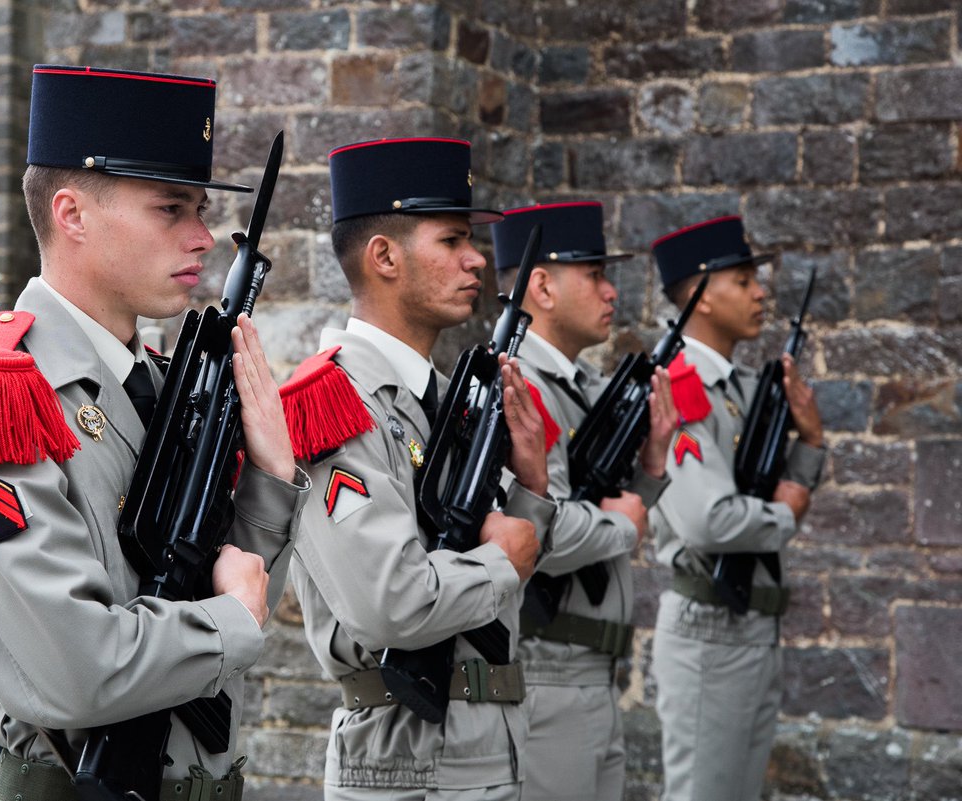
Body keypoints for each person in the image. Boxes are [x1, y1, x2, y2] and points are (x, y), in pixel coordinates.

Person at [0, 64, 309, 801]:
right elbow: (76, 669)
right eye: (171, 208)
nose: (203, 236)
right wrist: (233, 619)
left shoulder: (159, 386)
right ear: (73, 213)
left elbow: (216, 577)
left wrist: (269, 479)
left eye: (201, 210)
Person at [279, 137, 555, 800]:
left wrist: (534, 493)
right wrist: (504, 561)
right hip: (406, 761)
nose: (477, 260)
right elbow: (387, 602)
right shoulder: (330, 401)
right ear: (384, 256)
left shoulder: (443, 396)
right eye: (453, 240)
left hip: (487, 744)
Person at [489, 202, 677, 801]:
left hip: (594, 674)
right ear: (540, 285)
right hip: (547, 674)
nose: (610, 291)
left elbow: (613, 507)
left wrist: (649, 473)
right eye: (593, 273)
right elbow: (537, 533)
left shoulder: (583, 388)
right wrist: (623, 527)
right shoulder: (520, 388)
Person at [647, 216, 825, 801]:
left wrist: (810, 447)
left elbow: (767, 494)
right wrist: (787, 511)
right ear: (699, 295)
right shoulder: (682, 384)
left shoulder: (744, 388)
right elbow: (710, 520)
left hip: (751, 622)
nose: (761, 292)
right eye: (743, 279)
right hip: (709, 631)